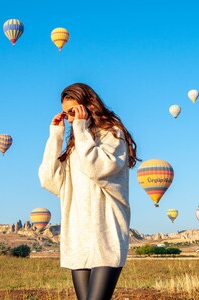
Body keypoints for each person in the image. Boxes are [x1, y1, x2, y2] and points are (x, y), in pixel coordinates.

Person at [38, 83, 138, 300]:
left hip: (105, 236)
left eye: (73, 112)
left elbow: (98, 169)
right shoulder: (76, 146)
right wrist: (55, 136)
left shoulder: (113, 135)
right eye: (66, 114)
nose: (71, 119)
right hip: (79, 238)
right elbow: (49, 181)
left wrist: (81, 131)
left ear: (88, 106)